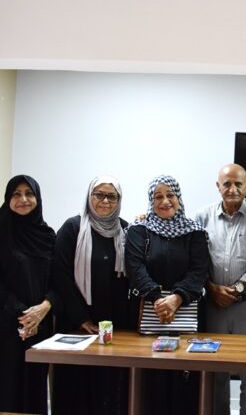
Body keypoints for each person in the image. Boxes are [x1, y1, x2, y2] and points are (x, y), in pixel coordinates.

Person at [195, 164, 246, 415]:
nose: (232, 189)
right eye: (227, 184)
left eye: (238, 184)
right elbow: (195, 260)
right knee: (215, 371)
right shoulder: (202, 217)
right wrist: (211, 288)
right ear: (217, 186)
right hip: (213, 305)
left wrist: (238, 288)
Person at [125, 174, 210, 414]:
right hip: (150, 312)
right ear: (150, 201)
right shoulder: (138, 231)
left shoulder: (195, 232)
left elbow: (199, 270)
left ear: (179, 198)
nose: (165, 201)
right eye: (158, 197)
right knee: (152, 380)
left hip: (187, 313)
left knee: (185, 379)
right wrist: (158, 299)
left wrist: (177, 298)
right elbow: (135, 268)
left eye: (170, 195)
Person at [51, 175, 135, 415]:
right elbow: (60, 276)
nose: (105, 201)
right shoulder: (73, 228)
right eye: (99, 195)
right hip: (77, 324)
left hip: (116, 326)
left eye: (112, 196)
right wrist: (81, 318)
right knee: (76, 390)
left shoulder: (126, 230)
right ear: (89, 196)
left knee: (110, 388)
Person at [0, 175, 58, 414]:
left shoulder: (48, 235)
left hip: (40, 326)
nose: (23, 199)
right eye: (16, 194)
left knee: (34, 390)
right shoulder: (2, 231)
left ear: (38, 198)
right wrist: (24, 315)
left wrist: (45, 307)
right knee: (7, 390)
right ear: (8, 198)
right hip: (6, 326)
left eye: (29, 193)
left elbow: (59, 280)